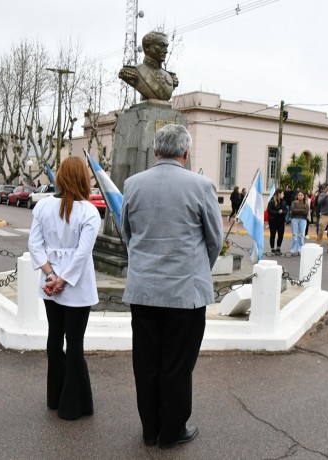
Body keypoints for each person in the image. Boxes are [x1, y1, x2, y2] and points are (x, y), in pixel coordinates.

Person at [121, 124, 222, 449]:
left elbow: (127, 234)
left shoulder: (133, 185)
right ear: (185, 153)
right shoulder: (201, 185)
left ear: (155, 151)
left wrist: (144, 264)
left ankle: (150, 429)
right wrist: (196, 270)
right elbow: (214, 239)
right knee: (178, 364)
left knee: (146, 362)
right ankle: (172, 431)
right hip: (185, 295)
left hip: (144, 292)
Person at [27, 156, 101, 420]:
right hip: (77, 286)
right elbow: (82, 254)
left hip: (50, 284)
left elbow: (34, 245)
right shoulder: (89, 211)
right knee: (75, 342)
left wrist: (51, 276)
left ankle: (55, 397)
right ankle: (72, 405)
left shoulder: (43, 206)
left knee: (55, 337)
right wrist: (64, 280)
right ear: (83, 178)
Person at [118, 31, 179, 101]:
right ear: (147, 47)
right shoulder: (133, 72)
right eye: (162, 45)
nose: (166, 51)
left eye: (166, 46)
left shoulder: (170, 77)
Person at [289, 191, 309, 256]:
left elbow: (306, 212)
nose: (300, 196)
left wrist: (297, 210)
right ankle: (293, 250)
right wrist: (301, 210)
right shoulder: (294, 202)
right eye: (299, 195)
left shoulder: (306, 204)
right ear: (297, 196)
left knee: (301, 235)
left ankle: (300, 250)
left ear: (304, 196)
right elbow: (293, 210)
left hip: (303, 220)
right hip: (294, 219)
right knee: (294, 235)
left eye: (301, 195)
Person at [267, 188, 286, 254]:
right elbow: (269, 211)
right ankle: (272, 248)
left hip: (281, 221)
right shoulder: (272, 201)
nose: (283, 195)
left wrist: (283, 212)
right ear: (278, 194)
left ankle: (278, 248)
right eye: (282, 194)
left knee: (281, 234)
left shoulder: (283, 201)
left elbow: (285, 210)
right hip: (273, 221)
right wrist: (278, 212)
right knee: (273, 234)